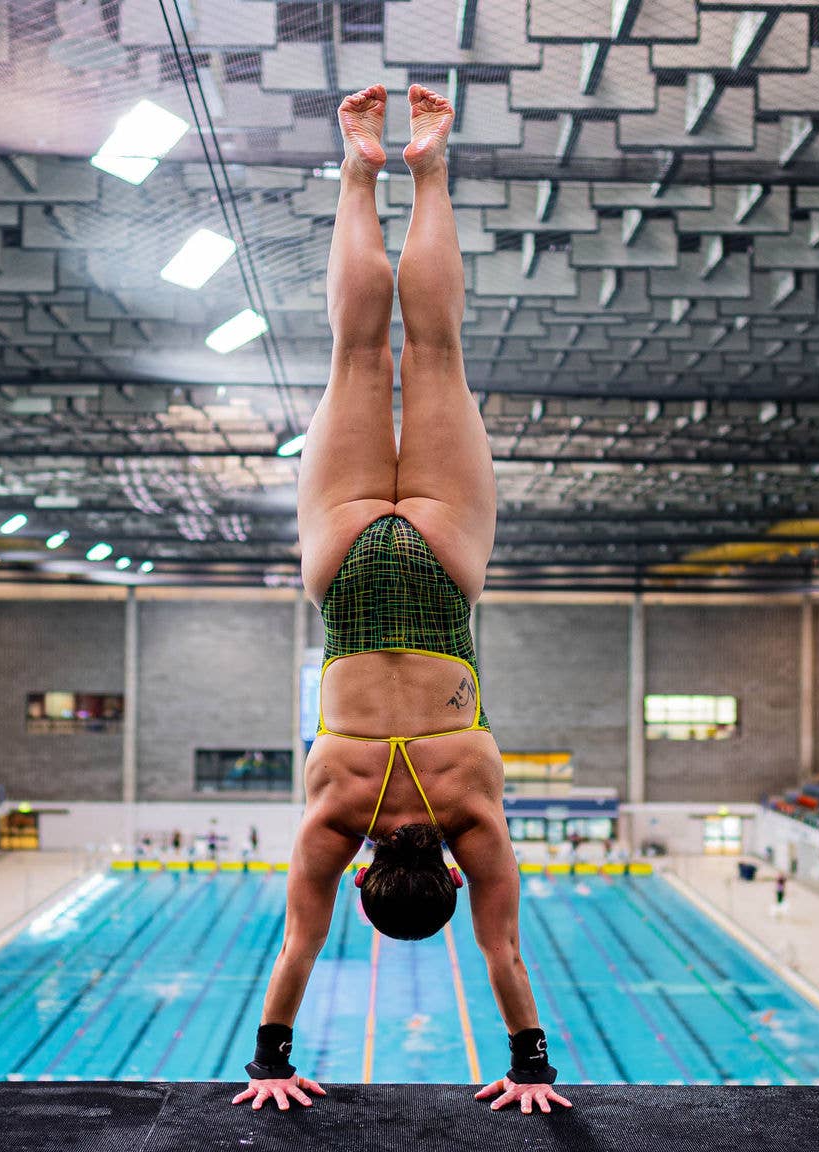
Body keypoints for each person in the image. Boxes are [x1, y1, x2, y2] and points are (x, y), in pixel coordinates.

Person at [231, 85, 567, 1119]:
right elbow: (298, 944)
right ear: (364, 877)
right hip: (341, 574)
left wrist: (530, 1069)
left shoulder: (471, 809)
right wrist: (269, 1066)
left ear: (453, 879)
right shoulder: (333, 814)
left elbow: (503, 954)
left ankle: (424, 164)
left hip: (439, 573)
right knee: (351, 354)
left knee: (434, 353)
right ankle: (357, 163)